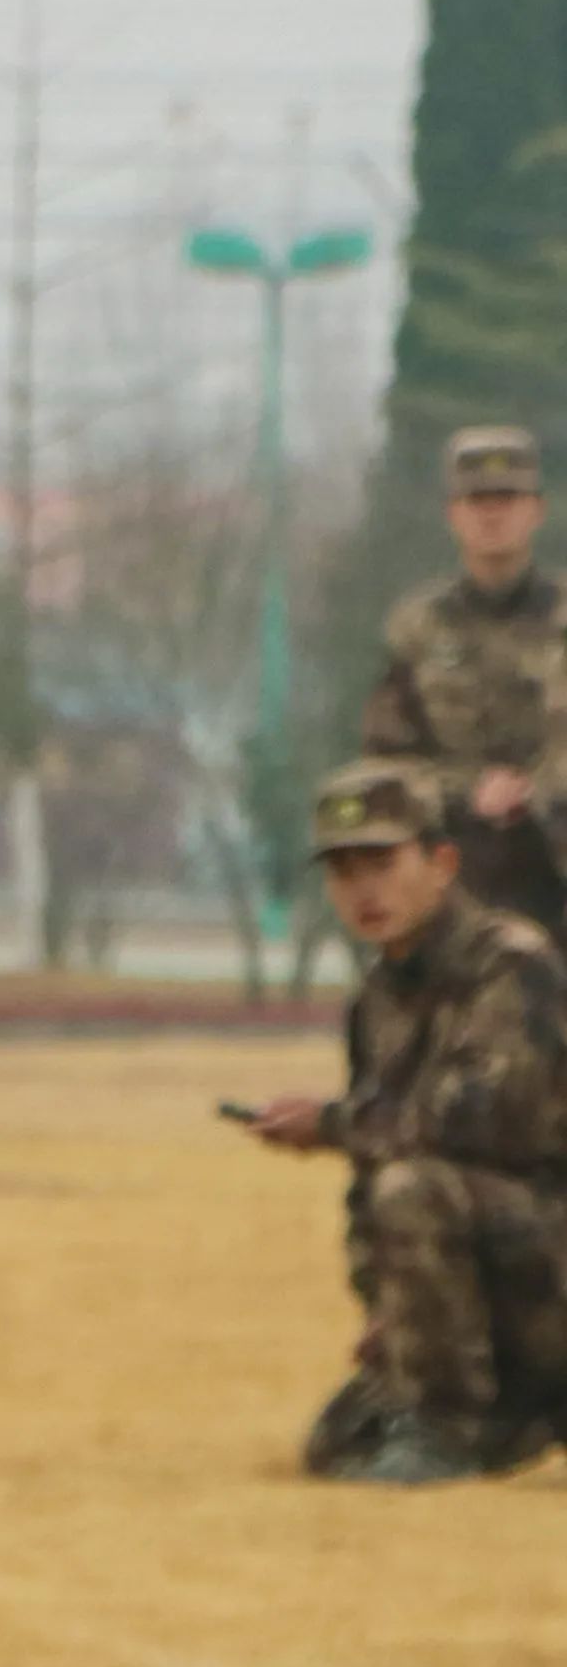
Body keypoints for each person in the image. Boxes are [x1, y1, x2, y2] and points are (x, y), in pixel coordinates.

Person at [239, 759, 567, 1483]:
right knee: (338, 1445)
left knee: (416, 1187)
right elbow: (372, 1175)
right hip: (493, 1274)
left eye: (382, 863)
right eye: (344, 871)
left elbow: (482, 1120)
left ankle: (447, 1433)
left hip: (546, 1261)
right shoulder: (378, 1001)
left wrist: (329, 1123)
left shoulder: (512, 964)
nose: (364, 890)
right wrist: (390, 1307)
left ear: (442, 862)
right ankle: (520, 1410)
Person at [362, 423, 567, 934]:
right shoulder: (418, 628)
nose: (492, 512)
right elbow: (386, 762)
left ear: (536, 510)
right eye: (476, 499)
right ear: (453, 514)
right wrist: (469, 792)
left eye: (507, 496)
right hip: (452, 883)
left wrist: (535, 791)